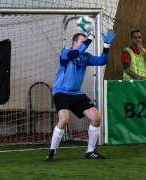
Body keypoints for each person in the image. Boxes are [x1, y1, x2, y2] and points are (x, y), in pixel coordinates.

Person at [46, 29, 116, 162]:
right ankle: (51, 152)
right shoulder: (66, 51)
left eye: (86, 42)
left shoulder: (86, 56)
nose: (86, 45)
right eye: (82, 42)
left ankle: (90, 151)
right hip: (61, 91)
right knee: (64, 120)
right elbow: (74, 53)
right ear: (74, 43)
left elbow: (102, 61)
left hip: (77, 93)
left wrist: (106, 46)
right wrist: (90, 38)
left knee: (96, 117)